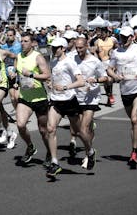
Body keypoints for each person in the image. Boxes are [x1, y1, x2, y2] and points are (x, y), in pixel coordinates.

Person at [107, 26, 137, 169]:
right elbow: (109, 69)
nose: (123, 39)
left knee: (134, 118)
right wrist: (115, 76)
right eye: (121, 37)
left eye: (126, 37)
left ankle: (134, 153)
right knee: (134, 120)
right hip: (125, 91)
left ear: (132, 37)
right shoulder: (116, 53)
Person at [45, 38, 85, 178]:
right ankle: (55, 163)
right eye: (52, 47)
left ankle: (90, 151)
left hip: (69, 100)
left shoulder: (70, 62)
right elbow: (53, 78)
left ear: (63, 48)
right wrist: (50, 83)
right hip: (56, 100)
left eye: (56, 47)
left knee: (79, 132)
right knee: (50, 128)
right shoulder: (53, 61)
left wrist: (65, 87)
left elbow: (81, 82)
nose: (54, 50)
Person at [10, 32, 51, 164]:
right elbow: (16, 71)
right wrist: (14, 77)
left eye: (26, 41)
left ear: (32, 43)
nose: (23, 43)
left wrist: (32, 75)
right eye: (21, 41)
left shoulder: (38, 57)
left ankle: (50, 152)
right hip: (25, 97)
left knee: (43, 130)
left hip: (39, 98)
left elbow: (47, 75)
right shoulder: (18, 56)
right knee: (21, 124)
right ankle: (30, 146)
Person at [73, 37, 108, 171]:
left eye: (81, 48)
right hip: (77, 98)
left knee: (83, 130)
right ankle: (90, 148)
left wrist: (96, 80)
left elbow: (105, 78)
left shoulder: (95, 61)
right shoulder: (73, 59)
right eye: (76, 48)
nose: (78, 50)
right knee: (79, 131)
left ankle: (89, 154)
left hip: (91, 98)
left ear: (87, 46)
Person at [0, 28, 22, 116]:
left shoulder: (19, 46)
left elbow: (19, 59)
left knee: (17, 97)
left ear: (14, 36)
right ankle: (18, 114)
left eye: (11, 35)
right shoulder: (4, 47)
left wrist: (15, 70)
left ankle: (21, 113)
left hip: (18, 74)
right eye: (8, 35)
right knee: (13, 98)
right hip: (8, 74)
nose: (9, 37)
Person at [94, 27, 116, 106]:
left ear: (107, 33)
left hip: (110, 63)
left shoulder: (112, 40)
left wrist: (113, 54)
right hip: (102, 63)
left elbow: (117, 49)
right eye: (101, 33)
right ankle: (109, 96)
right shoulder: (97, 41)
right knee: (105, 81)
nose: (102, 35)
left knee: (109, 80)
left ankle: (110, 96)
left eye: (104, 33)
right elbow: (95, 52)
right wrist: (96, 60)